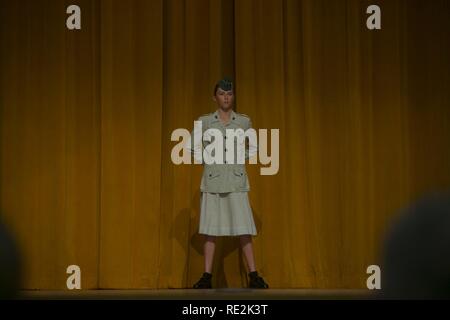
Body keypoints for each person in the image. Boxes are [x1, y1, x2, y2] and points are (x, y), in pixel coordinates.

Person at [188, 78, 269, 289]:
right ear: (215, 97)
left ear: (233, 97)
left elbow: (254, 148)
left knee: (244, 228)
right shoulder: (205, 121)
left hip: (236, 181)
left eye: (229, 94)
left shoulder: (243, 122)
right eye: (222, 94)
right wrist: (210, 162)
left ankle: (254, 275)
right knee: (209, 229)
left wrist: (237, 161)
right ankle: (206, 276)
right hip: (213, 181)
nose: (226, 97)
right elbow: (190, 147)